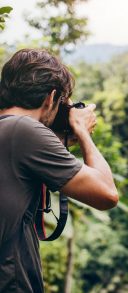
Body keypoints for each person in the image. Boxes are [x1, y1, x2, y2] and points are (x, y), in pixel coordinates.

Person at [0, 48, 119, 292]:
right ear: (51, 97)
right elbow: (107, 194)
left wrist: (61, 138)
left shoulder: (10, 131)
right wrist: (82, 130)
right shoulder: (24, 130)